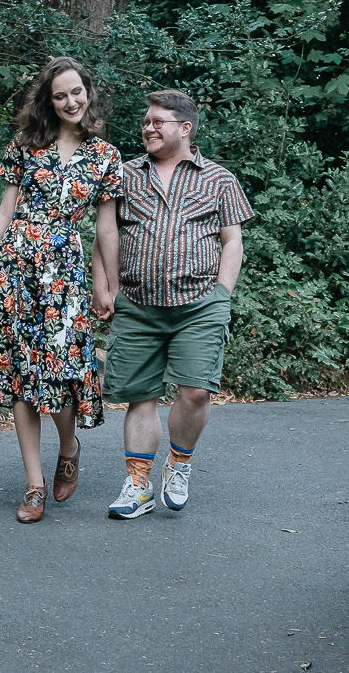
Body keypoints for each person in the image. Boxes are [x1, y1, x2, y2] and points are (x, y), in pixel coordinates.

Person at [0, 57, 124, 523]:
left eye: (77, 92)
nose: (71, 101)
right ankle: (34, 487)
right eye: (60, 95)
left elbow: (106, 230)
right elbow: (4, 211)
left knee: (58, 374)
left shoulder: (106, 157)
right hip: (14, 268)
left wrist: (106, 285)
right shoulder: (27, 145)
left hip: (64, 274)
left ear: (87, 94)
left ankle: (68, 446)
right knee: (20, 378)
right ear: (48, 102)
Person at [92, 89, 249, 519]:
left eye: (158, 121)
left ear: (185, 128)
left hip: (200, 303)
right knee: (141, 396)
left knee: (197, 390)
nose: (148, 127)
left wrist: (223, 292)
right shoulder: (124, 175)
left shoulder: (219, 179)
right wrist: (103, 286)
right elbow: (106, 235)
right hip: (139, 304)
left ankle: (179, 464)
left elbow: (232, 240)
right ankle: (138, 484)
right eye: (146, 121)